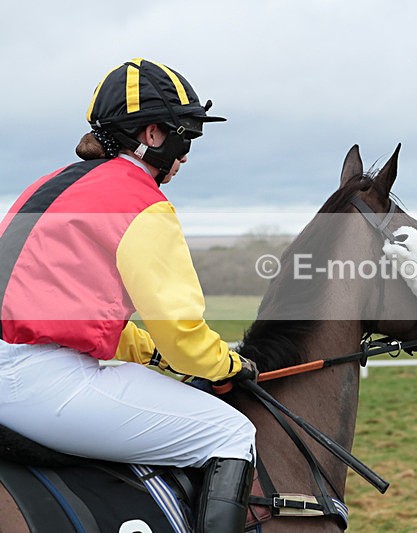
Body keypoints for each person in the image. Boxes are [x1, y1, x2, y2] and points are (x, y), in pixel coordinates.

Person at [0, 58, 256, 532]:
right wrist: (228, 365)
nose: (185, 158)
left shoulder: (49, 184)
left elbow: (63, 314)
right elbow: (182, 332)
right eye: (186, 138)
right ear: (154, 134)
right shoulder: (142, 202)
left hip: (18, 363)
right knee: (231, 432)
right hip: (36, 381)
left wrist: (145, 350)